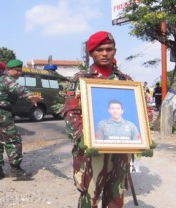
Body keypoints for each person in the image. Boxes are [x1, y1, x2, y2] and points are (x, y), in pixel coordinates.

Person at [62, 31, 134, 207]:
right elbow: (70, 111)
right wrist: (83, 136)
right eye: (99, 49)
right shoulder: (81, 79)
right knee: (90, 194)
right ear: (91, 53)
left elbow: (137, 110)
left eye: (109, 49)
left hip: (120, 150)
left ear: (114, 51)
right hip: (92, 149)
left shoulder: (126, 80)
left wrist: (141, 130)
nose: (104, 53)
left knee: (116, 194)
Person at [0, 59, 42, 181]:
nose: (20, 73)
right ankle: (16, 169)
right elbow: (18, 89)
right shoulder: (6, 79)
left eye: (21, 71)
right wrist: (30, 96)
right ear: (8, 70)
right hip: (0, 115)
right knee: (13, 141)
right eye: (17, 70)